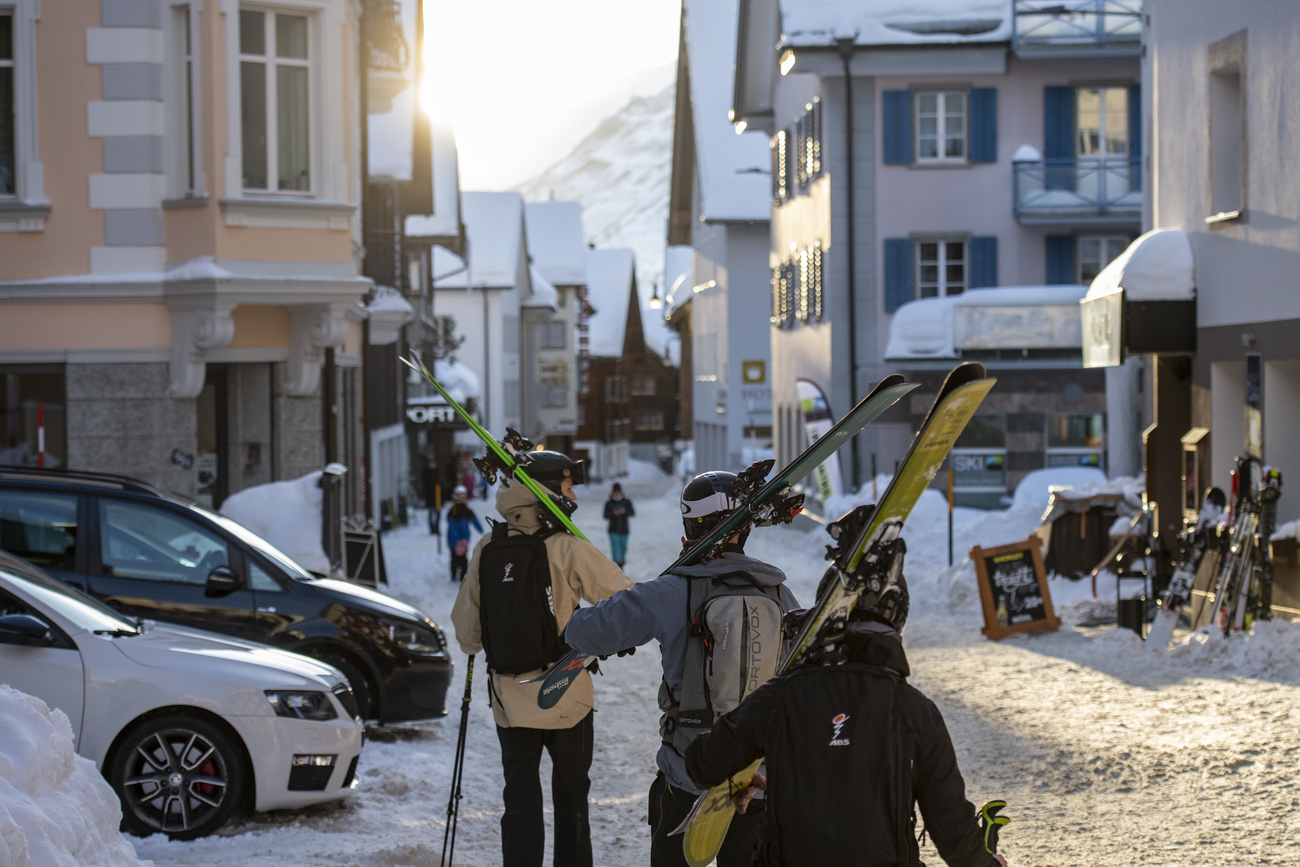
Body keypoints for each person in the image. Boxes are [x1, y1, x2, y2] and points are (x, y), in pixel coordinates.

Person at [683, 545, 1010, 867]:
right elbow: (952, 831)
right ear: (897, 618)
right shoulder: (914, 710)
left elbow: (701, 764)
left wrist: (746, 776)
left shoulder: (780, 697)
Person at [563, 471, 800, 867]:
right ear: (743, 531)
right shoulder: (779, 594)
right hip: (757, 782)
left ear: (689, 528)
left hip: (688, 774)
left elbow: (586, 632)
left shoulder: (672, 592)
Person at [450, 451, 632, 867]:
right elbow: (625, 601)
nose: (573, 496)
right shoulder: (568, 548)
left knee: (519, 798)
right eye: (568, 487)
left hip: (509, 703)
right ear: (548, 491)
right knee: (572, 801)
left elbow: (467, 634)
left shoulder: (488, 547)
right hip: (565, 696)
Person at [445, 485, 483, 583]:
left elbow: (475, 521)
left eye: (464, 496)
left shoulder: (467, 511)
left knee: (463, 560)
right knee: (455, 559)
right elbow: (451, 527)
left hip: (465, 540)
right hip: (454, 541)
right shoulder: (452, 512)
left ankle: (463, 577)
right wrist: (457, 540)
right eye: (460, 496)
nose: (462, 499)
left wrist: (480, 529)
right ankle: (454, 576)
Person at [603, 482, 635, 567]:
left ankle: (621, 567)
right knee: (615, 551)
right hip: (613, 530)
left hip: (624, 530)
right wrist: (614, 513)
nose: (617, 494)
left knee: (623, 550)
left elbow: (632, 512)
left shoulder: (626, 501)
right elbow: (605, 515)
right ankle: (617, 567)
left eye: (618, 492)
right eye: (615, 492)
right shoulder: (609, 503)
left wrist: (624, 512)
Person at [422, 457, 442, 536]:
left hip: (437, 497)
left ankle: (436, 528)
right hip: (430, 497)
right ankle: (432, 528)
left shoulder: (437, 473)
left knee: (437, 513)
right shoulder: (426, 474)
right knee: (431, 513)